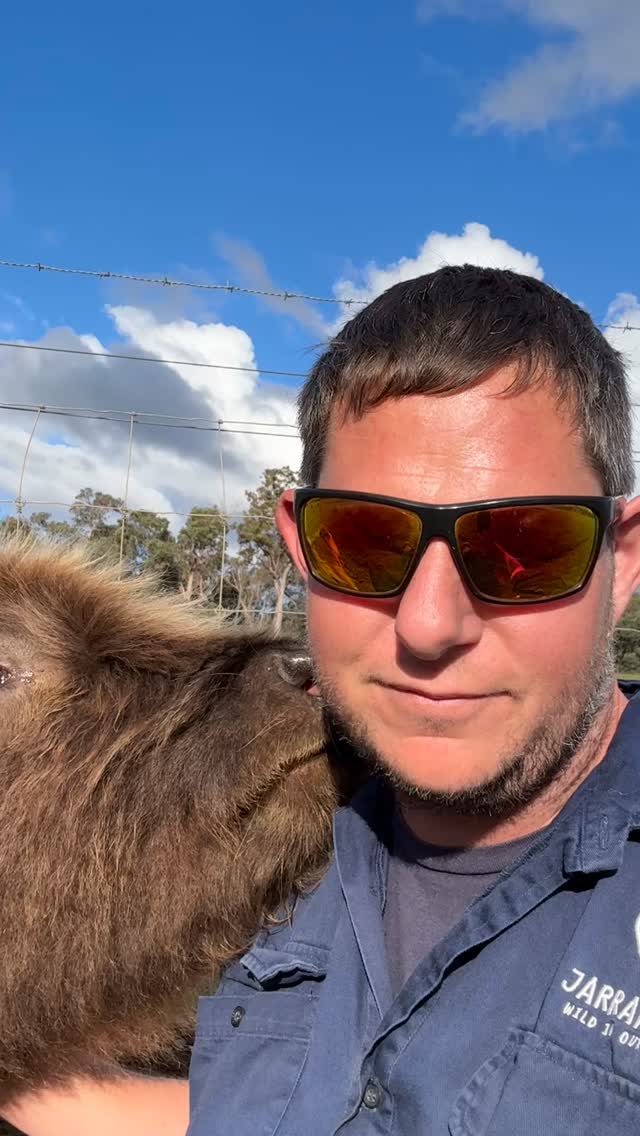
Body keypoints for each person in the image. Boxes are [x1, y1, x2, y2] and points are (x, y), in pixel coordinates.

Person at [185, 265, 640, 1135]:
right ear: (301, 544)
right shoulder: (237, 829)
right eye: (363, 540)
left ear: (622, 561)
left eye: (522, 547)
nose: (430, 627)